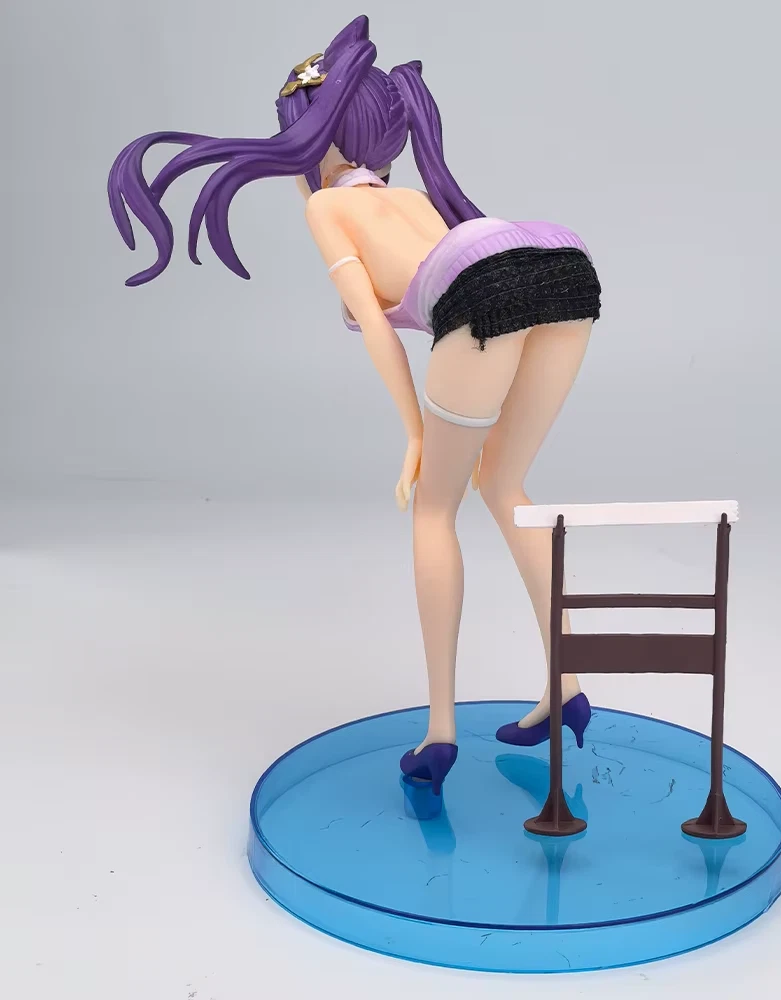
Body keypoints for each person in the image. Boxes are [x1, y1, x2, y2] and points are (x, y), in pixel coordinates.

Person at [108, 15, 600, 795]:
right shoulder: (416, 200)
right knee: (506, 485)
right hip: (562, 264)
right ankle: (567, 683)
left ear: (314, 141)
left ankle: (441, 731)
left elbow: (378, 324)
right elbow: (456, 273)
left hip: (484, 287)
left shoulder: (326, 209)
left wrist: (413, 432)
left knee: (433, 510)